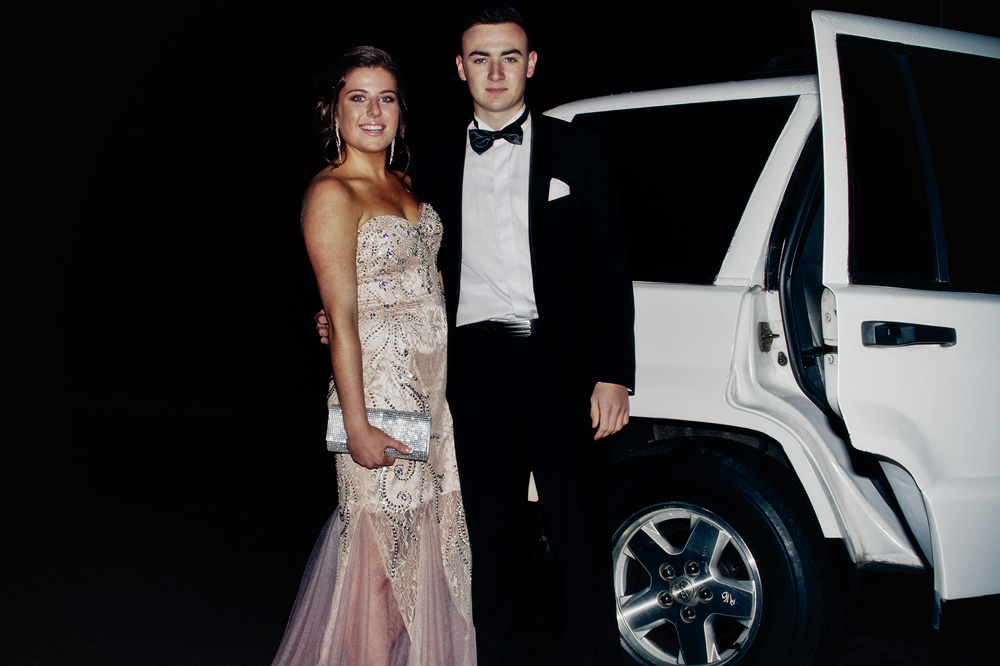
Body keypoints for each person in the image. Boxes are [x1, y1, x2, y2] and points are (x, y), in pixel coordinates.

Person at [317, 7, 634, 663]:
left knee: (579, 533)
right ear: (460, 69)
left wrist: (615, 373)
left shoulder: (579, 150)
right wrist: (340, 315)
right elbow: (391, 263)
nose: (495, 72)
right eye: (480, 59)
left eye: (509, 57)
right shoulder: (429, 168)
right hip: (473, 370)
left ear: (531, 64)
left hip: (562, 364)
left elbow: (610, 266)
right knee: (487, 539)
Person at [273, 46, 475, 666]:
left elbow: (426, 283)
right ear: (332, 112)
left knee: (423, 550)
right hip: (380, 392)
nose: (373, 111)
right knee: (381, 562)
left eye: (386, 98)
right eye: (357, 98)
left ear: (400, 112)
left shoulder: (405, 185)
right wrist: (356, 425)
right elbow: (341, 318)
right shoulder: (332, 192)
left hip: (431, 393)